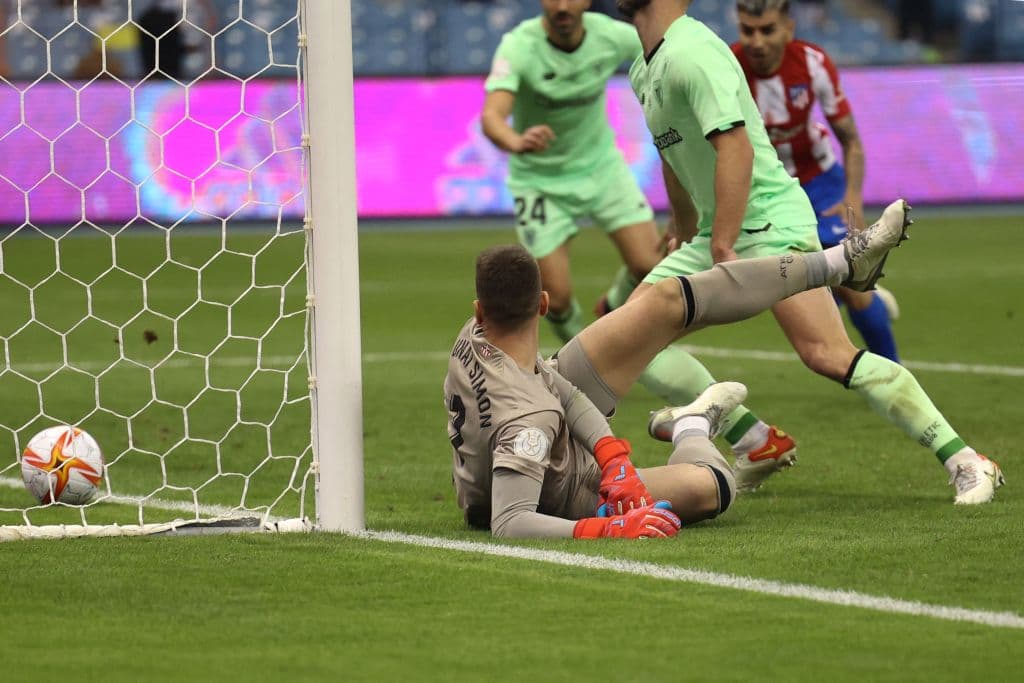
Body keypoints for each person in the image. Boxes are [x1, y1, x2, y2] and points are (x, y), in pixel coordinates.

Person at [613, 0, 1003, 504]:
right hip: (719, 227)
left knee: (826, 353)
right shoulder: (644, 66)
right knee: (630, 336)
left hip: (770, 223)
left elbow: (737, 147)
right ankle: (755, 442)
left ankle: (967, 460)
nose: (755, 37)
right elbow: (674, 153)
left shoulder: (693, 51)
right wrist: (685, 226)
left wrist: (723, 242)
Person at [445, 204, 913, 537]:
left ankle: (840, 263)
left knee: (666, 299)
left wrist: (615, 458)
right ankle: (691, 425)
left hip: (539, 429)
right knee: (715, 487)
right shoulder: (527, 422)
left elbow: (558, 392)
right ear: (543, 305)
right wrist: (608, 526)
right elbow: (509, 522)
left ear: (478, 309)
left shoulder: (474, 336)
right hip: (558, 490)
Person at [480, 0, 663, 345]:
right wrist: (516, 141)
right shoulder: (519, 46)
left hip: (602, 169)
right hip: (540, 182)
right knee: (557, 298)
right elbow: (492, 116)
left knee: (649, 265)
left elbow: (667, 44)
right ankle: (581, 353)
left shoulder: (610, 36)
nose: (563, 6)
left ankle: (612, 304)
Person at [732, 0, 900, 364]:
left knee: (854, 285)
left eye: (768, 30)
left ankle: (894, 371)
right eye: (748, 31)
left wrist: (851, 198)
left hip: (821, 182)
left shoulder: (812, 63)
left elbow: (851, 140)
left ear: (788, 29)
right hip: (766, 192)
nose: (757, 42)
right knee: (796, 284)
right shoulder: (727, 68)